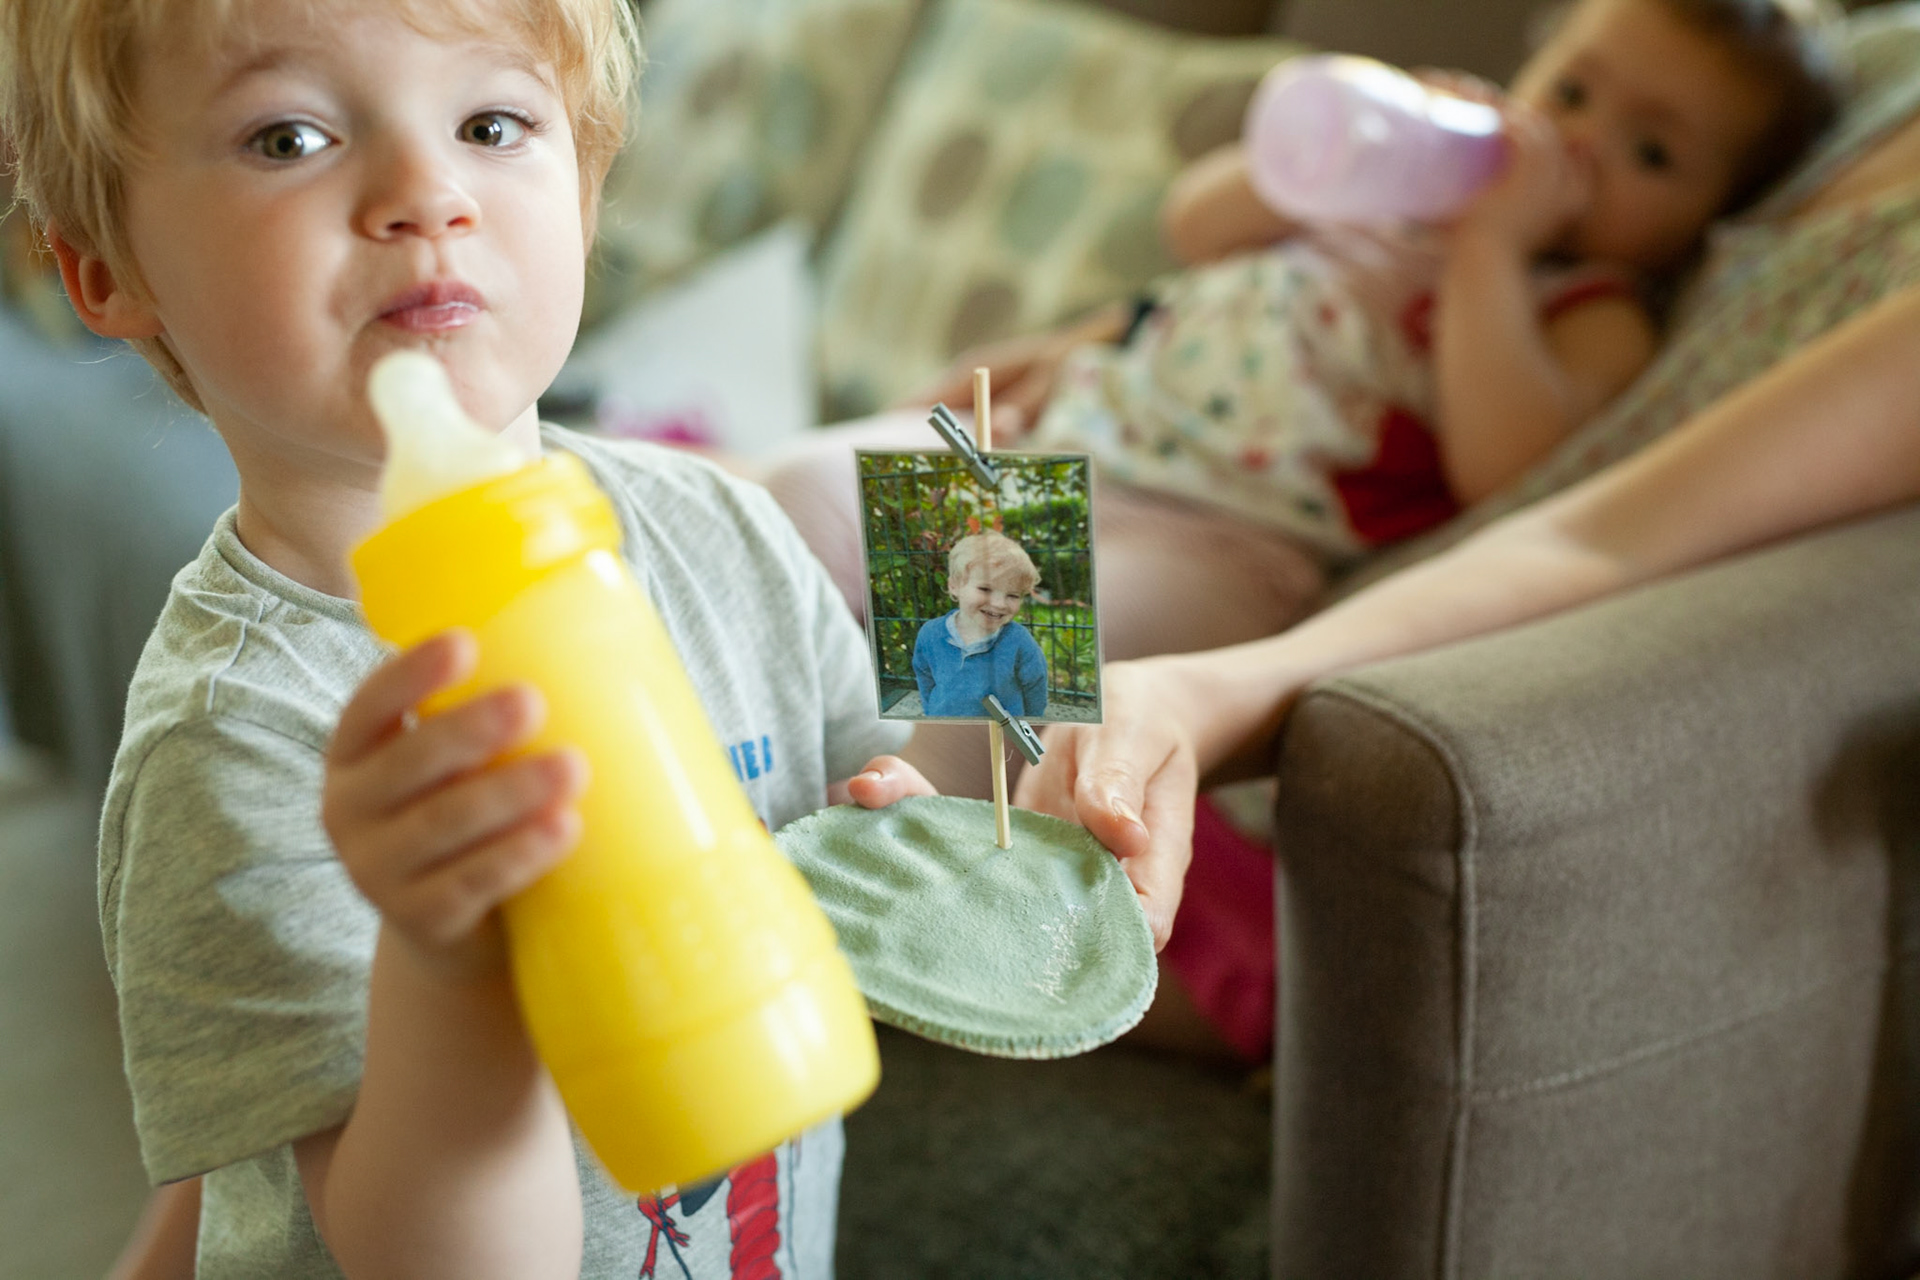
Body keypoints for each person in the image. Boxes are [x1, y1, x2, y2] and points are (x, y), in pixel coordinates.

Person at [0, 0, 936, 1276]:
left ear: (590, 186)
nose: (425, 193)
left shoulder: (724, 536)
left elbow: (882, 810)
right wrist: (447, 967)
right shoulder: (237, 739)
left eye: (491, 123)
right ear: (106, 269)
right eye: (288, 138)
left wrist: (933, 822)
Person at [767, 0, 1843, 684]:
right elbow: (1197, 222)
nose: (1577, 145)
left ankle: (852, 808)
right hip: (1074, 443)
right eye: (1568, 92)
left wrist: (1491, 251)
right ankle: (763, 688)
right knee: (798, 501)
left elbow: (1507, 461)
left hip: (1228, 547)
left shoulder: (1589, 306)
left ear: (1706, 222)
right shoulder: (1392, 199)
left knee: (996, 657)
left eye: (1649, 151)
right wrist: (1357, 149)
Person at [911, 530, 1050, 719]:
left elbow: (1035, 689)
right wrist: (932, 714)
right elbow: (925, 677)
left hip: (1002, 733)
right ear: (955, 585)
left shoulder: (1019, 641)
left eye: (1013, 595)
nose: (999, 604)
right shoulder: (930, 634)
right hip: (947, 728)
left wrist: (1030, 724)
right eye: (985, 589)